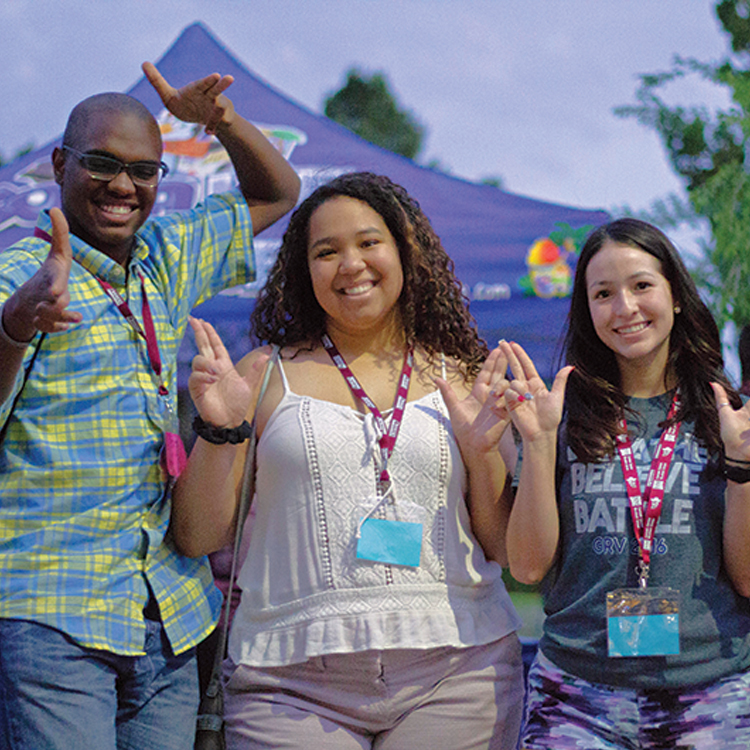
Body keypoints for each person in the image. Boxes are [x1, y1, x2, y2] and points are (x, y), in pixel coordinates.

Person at [0, 61, 300, 750]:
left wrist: (218, 122)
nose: (123, 185)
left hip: (167, 613)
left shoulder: (165, 259)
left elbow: (277, 190)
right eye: (102, 163)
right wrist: (16, 324)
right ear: (59, 164)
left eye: (144, 171)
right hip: (53, 614)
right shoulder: (18, 277)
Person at [172, 172, 525, 750]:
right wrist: (219, 429)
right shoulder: (261, 375)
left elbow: (504, 548)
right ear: (302, 270)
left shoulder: (460, 376)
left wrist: (484, 450)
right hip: (287, 685)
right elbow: (197, 534)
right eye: (326, 251)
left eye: (368, 242)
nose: (350, 264)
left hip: (457, 672)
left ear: (405, 251)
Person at [501, 218, 750, 750]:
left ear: (676, 295)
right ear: (587, 311)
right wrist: (541, 445)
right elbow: (525, 567)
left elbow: (749, 580)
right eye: (603, 294)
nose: (625, 308)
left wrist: (741, 467)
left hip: (714, 692)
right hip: (576, 695)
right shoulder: (556, 417)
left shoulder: (731, 419)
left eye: (641, 286)